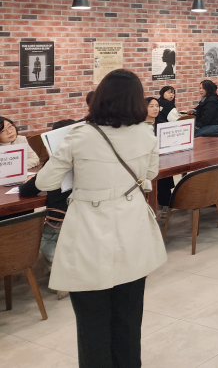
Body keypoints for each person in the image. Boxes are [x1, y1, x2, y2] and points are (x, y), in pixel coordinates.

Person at [36, 69, 167, 368]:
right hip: (132, 225)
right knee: (129, 316)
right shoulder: (145, 134)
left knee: (92, 319)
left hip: (89, 229)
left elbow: (45, 181)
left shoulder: (80, 135)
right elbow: (150, 174)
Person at [19, 119, 76, 267]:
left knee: (44, 239)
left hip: (60, 218)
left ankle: (58, 268)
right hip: (84, 215)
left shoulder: (56, 161)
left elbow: (27, 190)